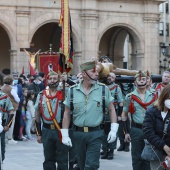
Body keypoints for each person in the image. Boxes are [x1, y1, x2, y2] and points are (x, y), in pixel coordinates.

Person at [61, 60, 119, 170]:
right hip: (78, 134)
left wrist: (114, 129)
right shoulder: (72, 91)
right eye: (93, 72)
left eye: (97, 71)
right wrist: (64, 134)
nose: (97, 74)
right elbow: (67, 113)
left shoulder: (103, 89)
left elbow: (111, 109)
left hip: (96, 133)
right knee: (81, 165)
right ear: (83, 74)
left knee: (91, 165)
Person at [122, 70, 157, 170]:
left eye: (143, 79)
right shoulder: (129, 97)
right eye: (139, 79)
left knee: (148, 156)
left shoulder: (154, 96)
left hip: (150, 130)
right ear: (135, 82)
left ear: (148, 81)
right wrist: (126, 132)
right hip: (136, 130)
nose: (141, 81)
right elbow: (124, 115)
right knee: (136, 156)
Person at [34, 71, 69, 170]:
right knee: (48, 158)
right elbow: (37, 115)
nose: (52, 81)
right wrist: (38, 133)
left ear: (58, 80)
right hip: (47, 131)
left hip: (61, 130)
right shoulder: (41, 95)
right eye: (50, 78)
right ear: (47, 80)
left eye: (55, 79)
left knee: (62, 159)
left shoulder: (65, 93)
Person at [143, 84, 170, 170]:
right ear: (163, 97)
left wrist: (169, 154)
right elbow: (148, 132)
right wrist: (163, 146)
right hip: (156, 152)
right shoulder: (151, 112)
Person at [101, 72, 124, 160]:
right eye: (109, 76)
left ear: (114, 79)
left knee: (112, 132)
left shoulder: (116, 88)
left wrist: (119, 115)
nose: (110, 78)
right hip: (103, 113)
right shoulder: (102, 87)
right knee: (104, 133)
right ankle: (105, 150)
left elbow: (120, 102)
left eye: (112, 77)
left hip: (113, 113)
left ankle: (111, 151)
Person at [1, 75, 20, 144]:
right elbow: (17, 98)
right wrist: (18, 102)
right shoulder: (11, 89)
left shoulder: (2, 88)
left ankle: (5, 137)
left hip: (3, 106)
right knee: (11, 122)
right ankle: (10, 138)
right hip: (12, 106)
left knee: (4, 121)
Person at [0, 73, 14, 161]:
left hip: (1, 126)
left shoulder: (5, 97)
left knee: (1, 149)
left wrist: (8, 125)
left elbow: (11, 111)